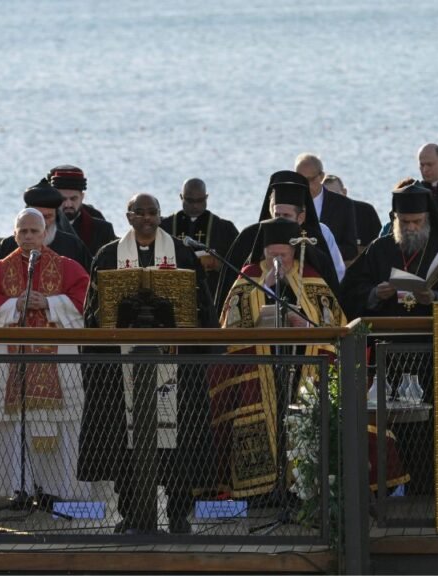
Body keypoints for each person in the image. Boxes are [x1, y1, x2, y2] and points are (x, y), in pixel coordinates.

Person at [79, 193, 215, 534]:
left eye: (152, 212)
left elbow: (201, 307)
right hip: (120, 366)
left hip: (176, 368)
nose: (146, 218)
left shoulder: (182, 254)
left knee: (179, 445)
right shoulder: (109, 255)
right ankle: (132, 513)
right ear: (127, 216)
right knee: (125, 444)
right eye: (139, 212)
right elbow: (92, 311)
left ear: (160, 215)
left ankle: (179, 513)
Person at [214, 217, 346, 498]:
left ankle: (303, 489)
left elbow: (333, 322)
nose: (278, 261)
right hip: (261, 374)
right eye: (272, 255)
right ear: (264, 252)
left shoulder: (310, 275)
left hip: (303, 370)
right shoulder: (249, 274)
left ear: (294, 252)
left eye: (283, 256)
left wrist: (307, 325)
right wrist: (265, 288)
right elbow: (231, 323)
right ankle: (261, 491)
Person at [0, 208, 92, 503]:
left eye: (33, 231)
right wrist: (15, 305)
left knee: (64, 422)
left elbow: (86, 301)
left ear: (44, 233)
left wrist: (49, 303)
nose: (28, 236)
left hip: (58, 364)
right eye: (22, 231)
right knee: (10, 426)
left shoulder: (67, 266)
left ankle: (63, 490)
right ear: (14, 234)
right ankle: (13, 489)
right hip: (13, 364)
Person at [217, 171, 344, 312]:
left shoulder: (312, 242)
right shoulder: (249, 237)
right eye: (277, 215)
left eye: (286, 216)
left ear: (301, 217)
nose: (280, 221)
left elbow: (330, 309)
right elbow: (231, 299)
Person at [342, 183, 438, 318]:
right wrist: (375, 293)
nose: (410, 227)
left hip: (431, 332)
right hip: (385, 330)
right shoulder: (378, 248)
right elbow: (350, 289)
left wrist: (434, 297)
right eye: (404, 222)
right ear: (395, 219)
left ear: (427, 219)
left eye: (416, 221)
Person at [160, 178, 239, 303]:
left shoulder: (224, 228)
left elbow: (238, 266)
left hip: (210, 295)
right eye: (190, 200)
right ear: (181, 197)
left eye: (200, 200)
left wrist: (218, 265)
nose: (195, 205)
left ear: (206, 197)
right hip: (173, 294)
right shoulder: (164, 226)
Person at [0, 179, 92, 271]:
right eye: (37, 217)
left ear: (56, 217)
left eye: (48, 217)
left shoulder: (73, 246)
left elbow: (87, 284)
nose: (42, 223)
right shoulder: (7, 246)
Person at [295, 153, 358, 262]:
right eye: (300, 180)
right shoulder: (286, 204)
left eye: (310, 179)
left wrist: (322, 251)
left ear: (322, 176)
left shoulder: (343, 205)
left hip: (330, 273)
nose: (306, 185)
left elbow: (351, 250)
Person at [49, 165, 116, 255]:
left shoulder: (101, 229)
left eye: (73, 199)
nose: (68, 204)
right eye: (63, 199)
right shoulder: (43, 224)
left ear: (82, 197)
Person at [323, 174, 381, 254]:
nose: (334, 201)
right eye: (328, 197)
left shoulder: (366, 211)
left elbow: (379, 245)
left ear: (344, 192)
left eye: (336, 195)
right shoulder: (319, 215)